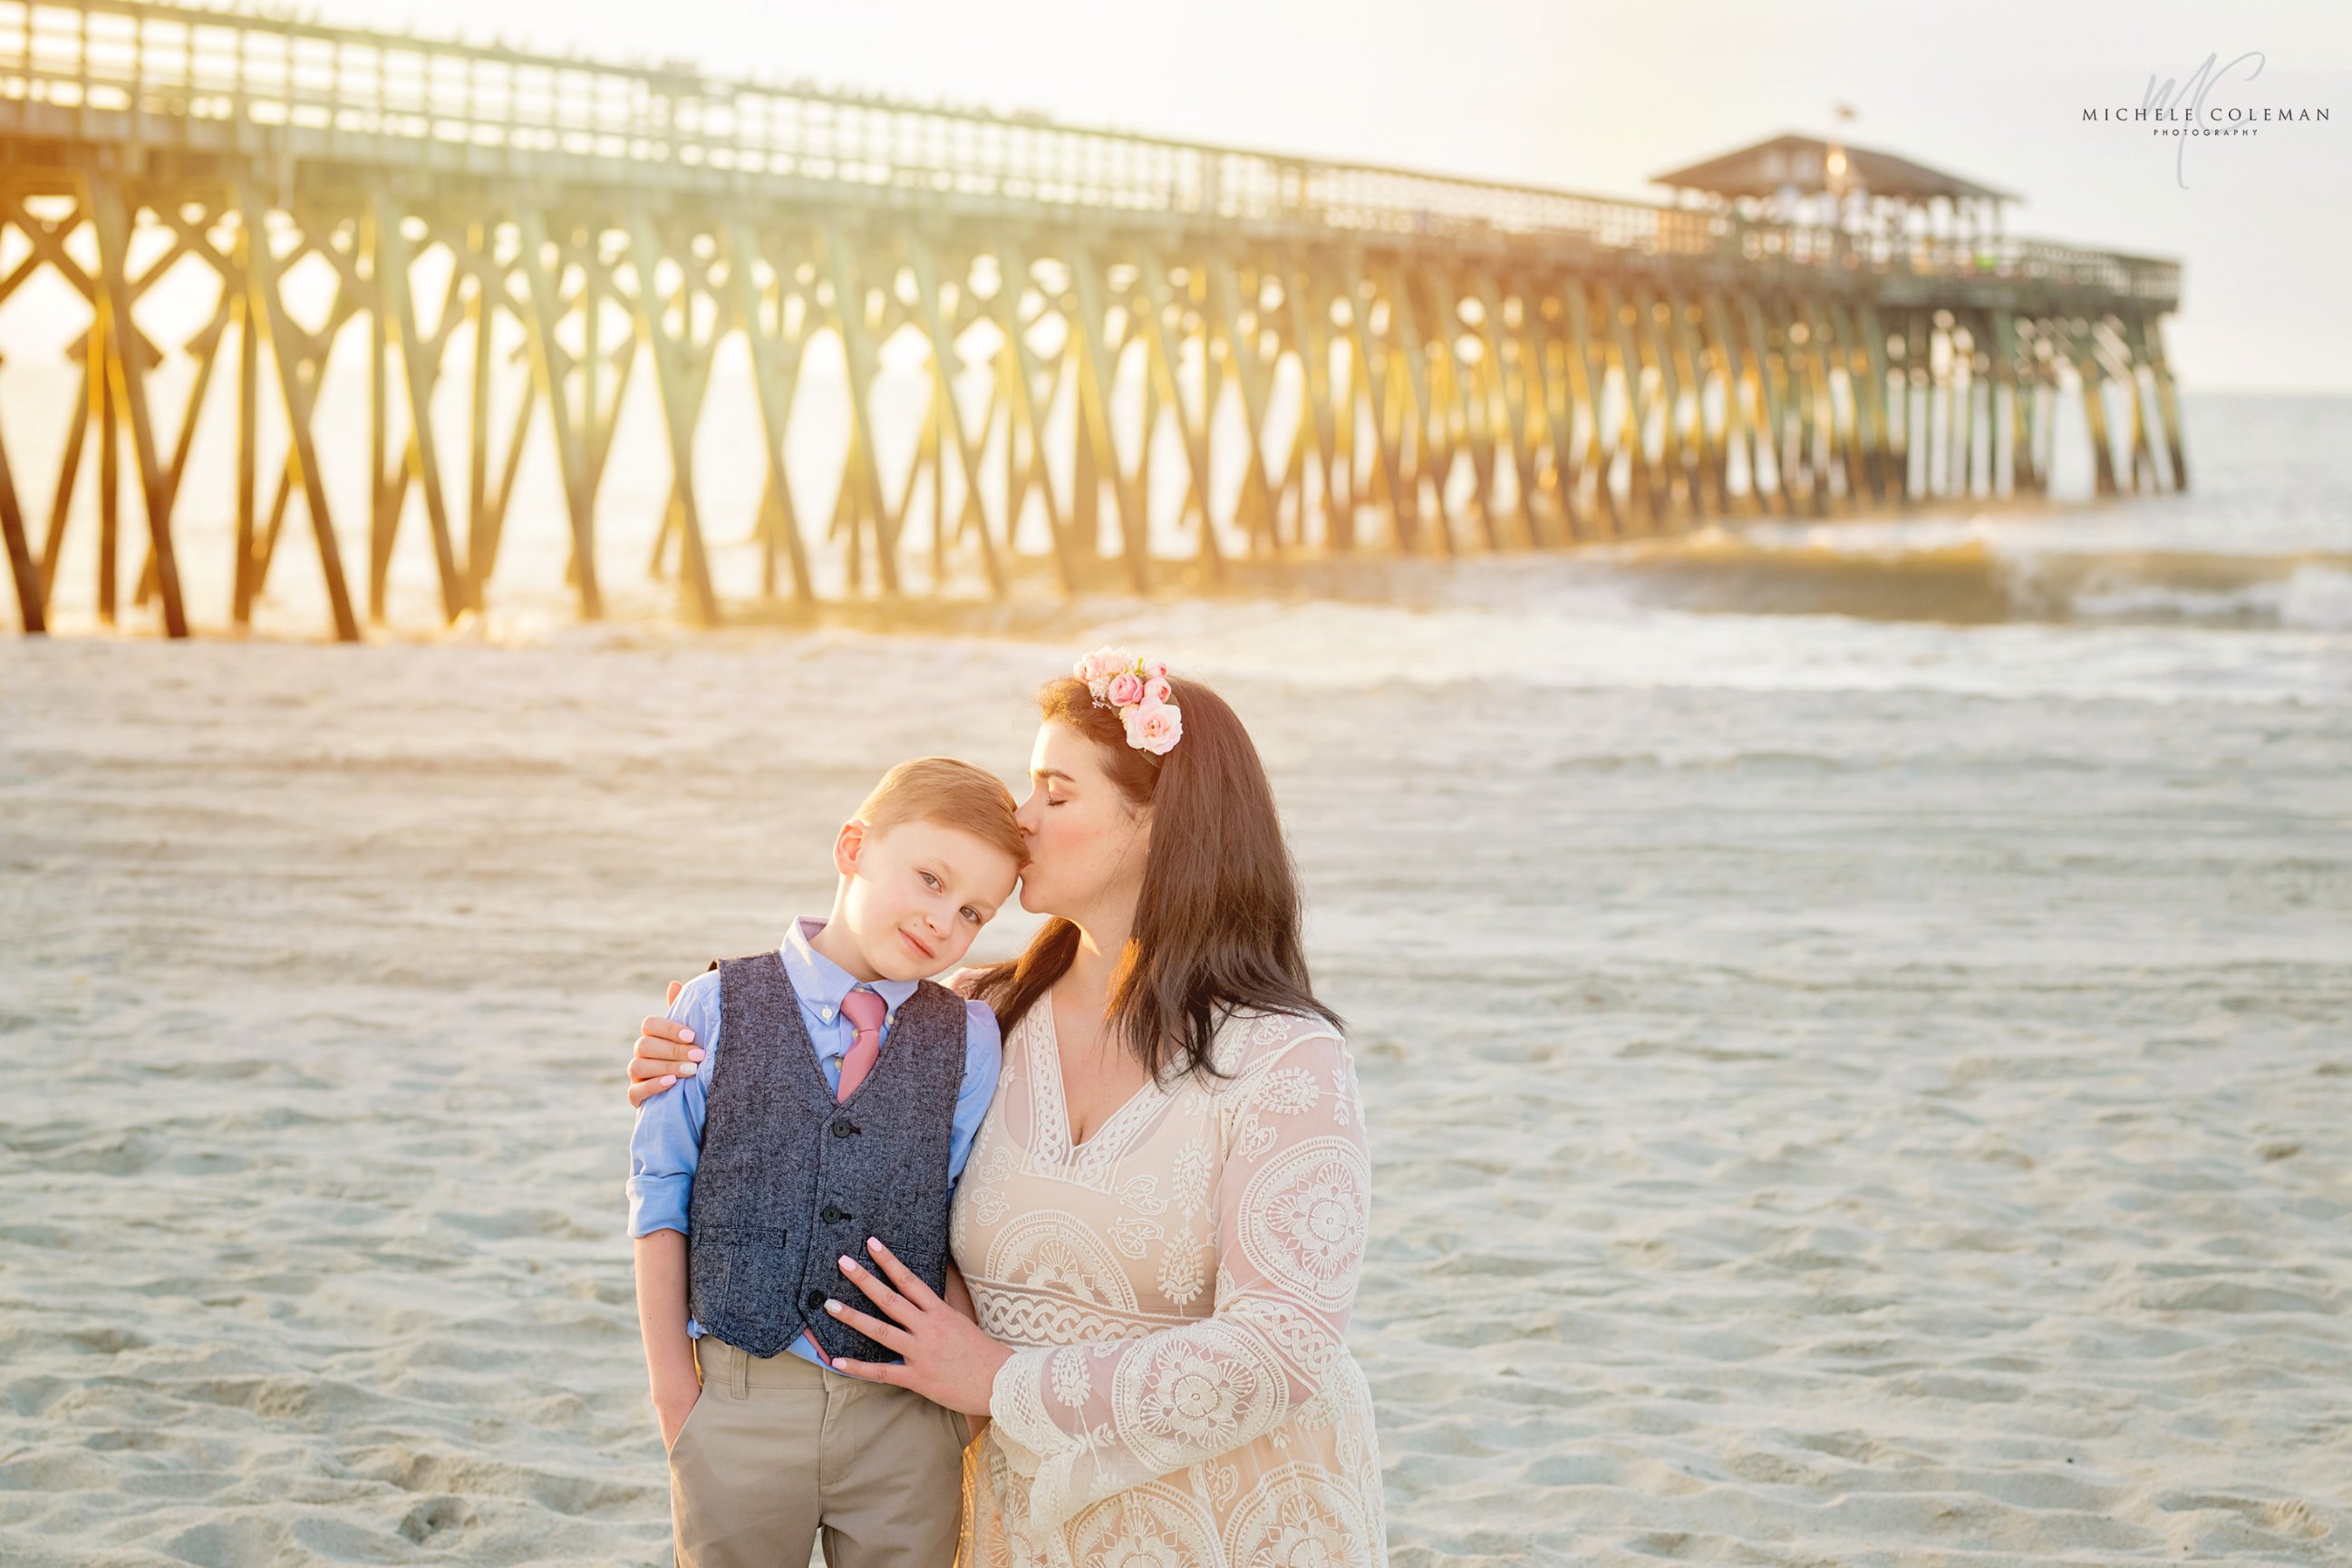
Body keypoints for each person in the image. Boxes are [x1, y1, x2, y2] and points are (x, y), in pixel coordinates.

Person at [630, 651, 1389, 1567]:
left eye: (1054, 792)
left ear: (1158, 824)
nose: (1020, 819)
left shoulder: (1285, 1056)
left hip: (1231, 1521)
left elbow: (1283, 1349)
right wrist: (688, 1040)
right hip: (1020, 1524)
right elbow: (806, 1065)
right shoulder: (977, 1012)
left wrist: (1003, 1378)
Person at [626, 756, 1024, 1568]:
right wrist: (676, 1394)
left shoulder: (971, 1038)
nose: (943, 920)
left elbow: (957, 1203)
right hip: (738, 1398)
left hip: (904, 1416)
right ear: (852, 848)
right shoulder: (713, 1005)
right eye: (928, 878)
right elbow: (660, 1197)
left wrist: (959, 1417)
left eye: (973, 912)